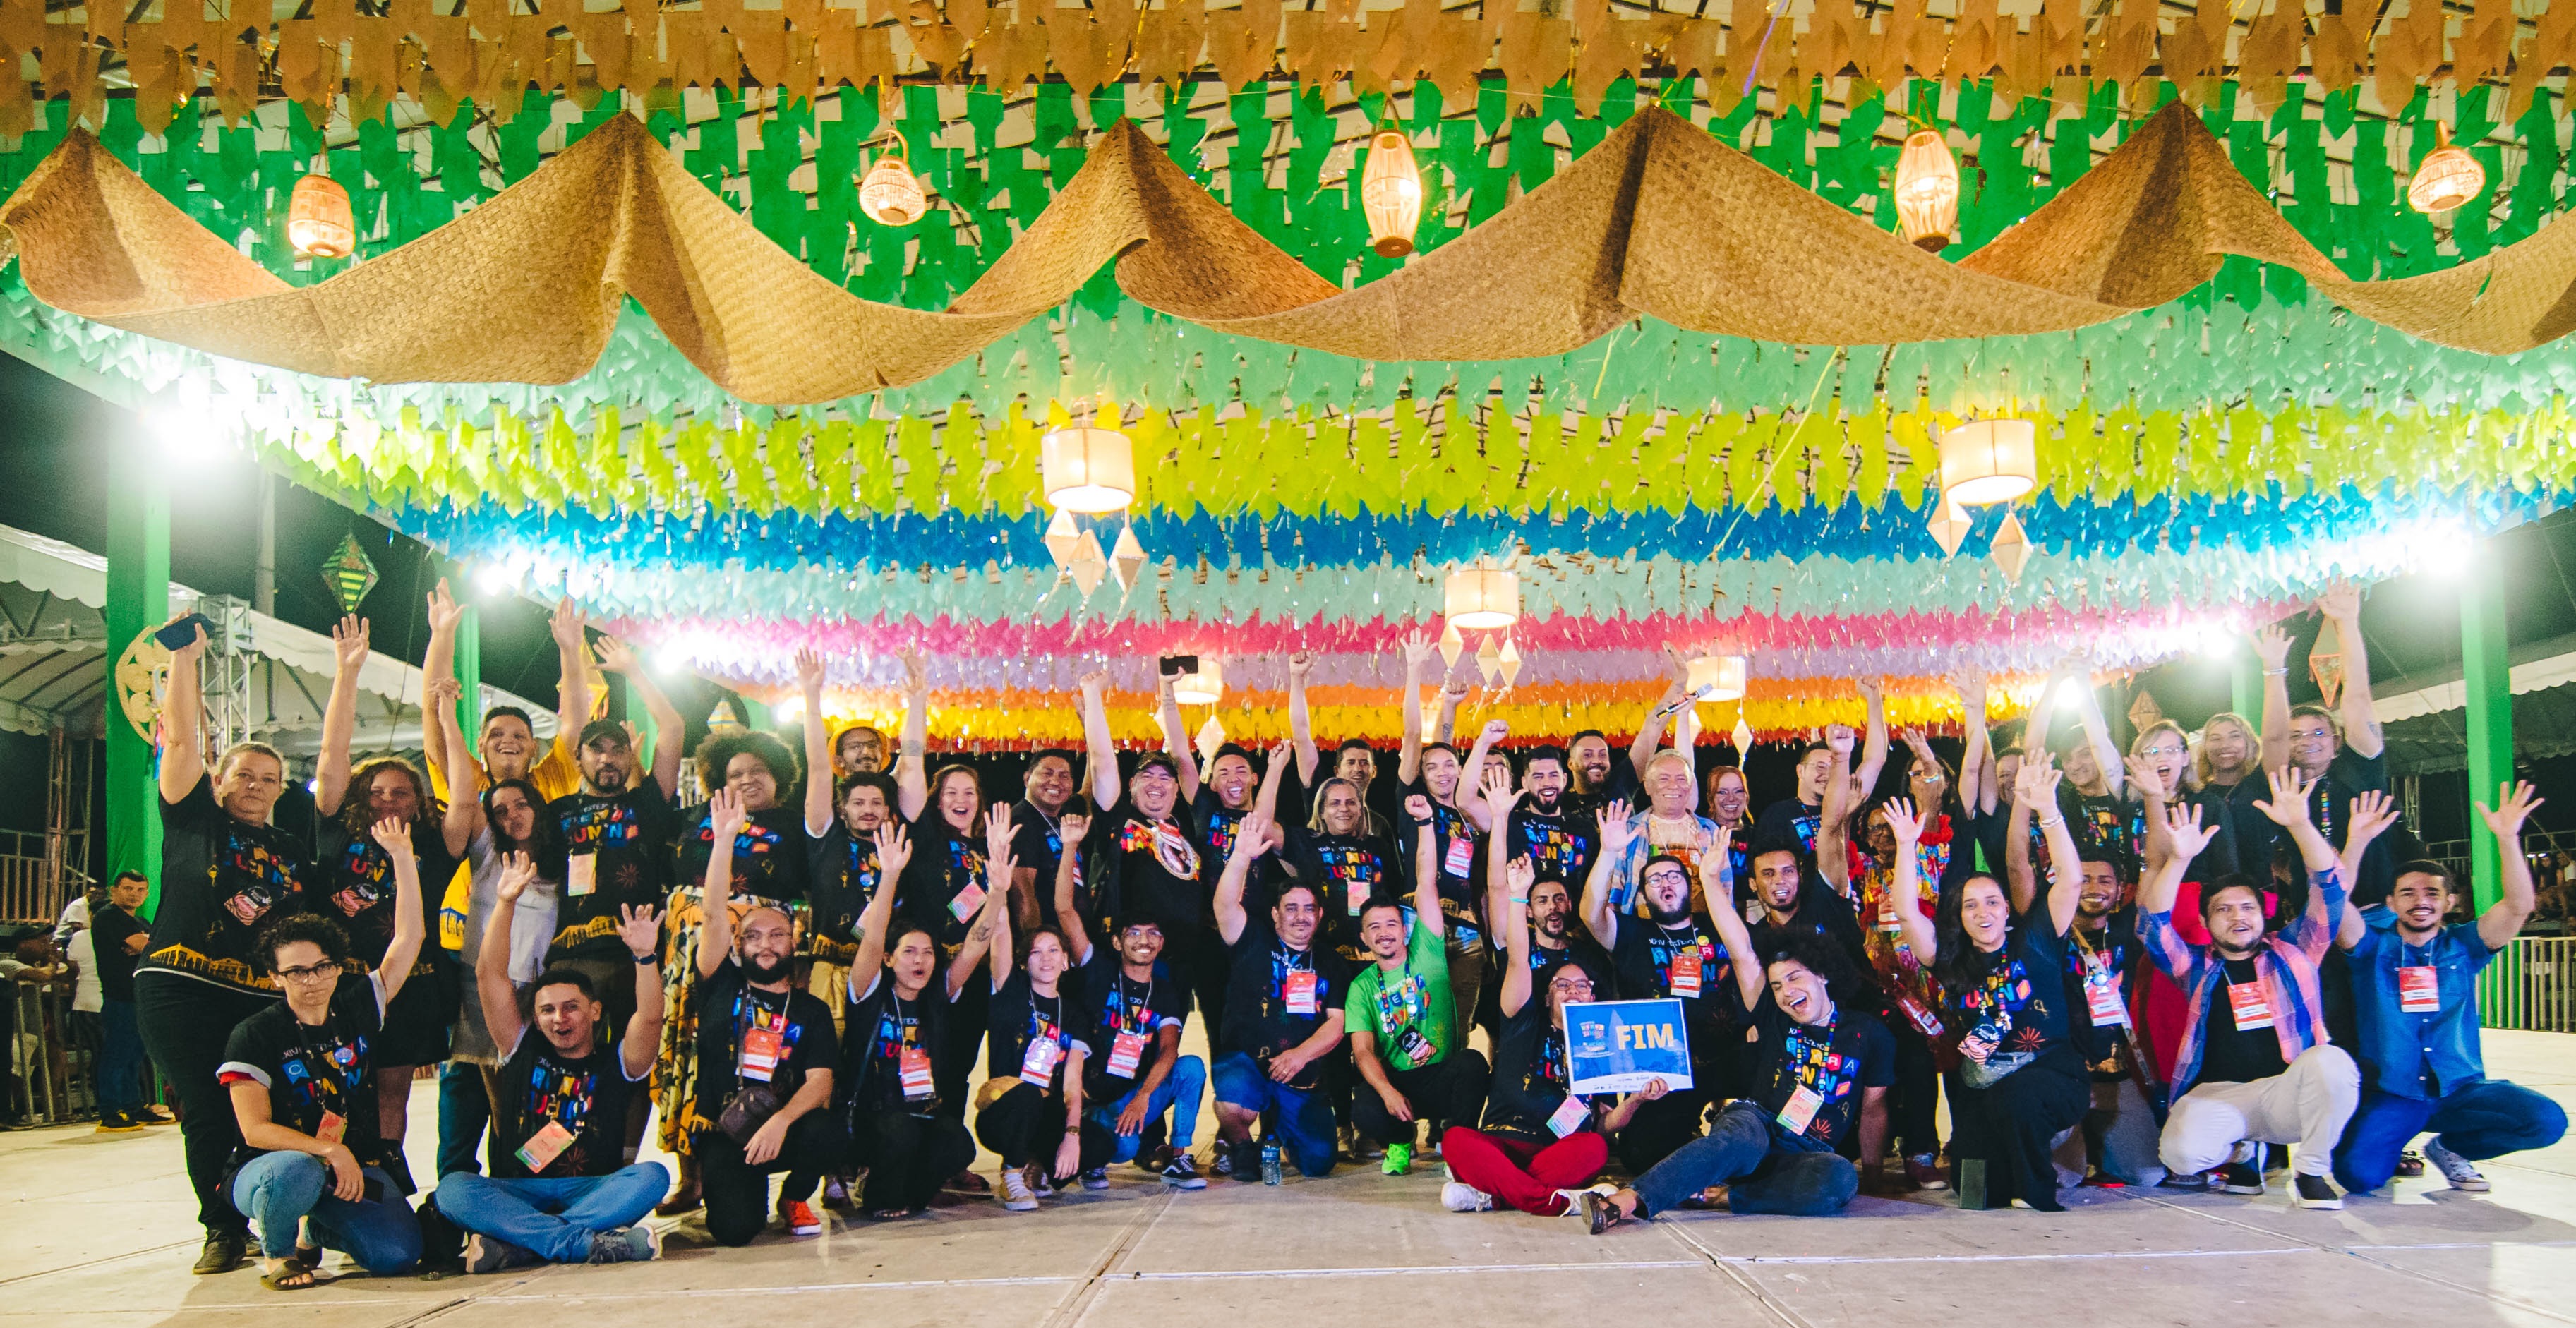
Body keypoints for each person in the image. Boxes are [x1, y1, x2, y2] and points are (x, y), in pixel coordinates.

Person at [143, 618, 312, 1275]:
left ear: (280, 789)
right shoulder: (193, 819)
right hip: (179, 988)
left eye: (269, 778)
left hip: (255, 998)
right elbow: (183, 738)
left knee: (269, 1108)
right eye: (244, 774)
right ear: (220, 779)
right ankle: (221, 1228)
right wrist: (186, 661)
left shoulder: (291, 852)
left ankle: (273, 1214)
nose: (255, 785)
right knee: (205, 1108)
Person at [217, 817, 427, 1290]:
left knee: (397, 1254)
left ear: (335, 966)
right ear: (275, 977)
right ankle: (279, 1254)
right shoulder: (255, 1034)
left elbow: (409, 938)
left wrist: (401, 858)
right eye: (296, 972)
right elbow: (254, 1129)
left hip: (345, 1167)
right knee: (296, 1169)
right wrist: (329, 1149)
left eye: (321, 967)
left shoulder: (357, 1007)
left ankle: (315, 1230)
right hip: (273, 1170)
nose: (311, 980)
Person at [1581, 918, 1895, 1232]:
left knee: (1840, 1178)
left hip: (1805, 1154)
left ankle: (1721, 1196)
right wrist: (1715, 888)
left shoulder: (1869, 1033)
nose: (1786, 992)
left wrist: (1873, 1176)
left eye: (1794, 977)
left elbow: (1873, 1110)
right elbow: (1741, 952)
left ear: (1822, 975)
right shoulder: (1774, 1016)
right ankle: (1624, 1202)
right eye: (1777, 986)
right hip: (1757, 1124)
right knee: (1740, 1139)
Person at [435, 851, 668, 1270]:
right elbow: (490, 976)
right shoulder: (520, 1046)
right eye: (547, 1010)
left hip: (592, 1190)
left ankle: (522, 1246)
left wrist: (645, 957)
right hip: (520, 1191)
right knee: (452, 1189)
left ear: (594, 1011)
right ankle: (581, 1243)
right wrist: (505, 903)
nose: (560, 1018)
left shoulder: (620, 1060)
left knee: (652, 1177)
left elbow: (650, 1016)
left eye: (571, 1007)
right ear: (537, 1017)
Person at [2333, 783, 2569, 1195]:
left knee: (2546, 1121)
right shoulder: (2371, 949)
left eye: (2432, 893)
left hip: (2459, 1089)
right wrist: (2356, 843)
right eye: (2407, 893)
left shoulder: (2464, 946)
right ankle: (2390, 1138)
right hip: (2394, 1092)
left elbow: (2518, 907)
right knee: (2358, 1177)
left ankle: (2451, 1148)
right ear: (2391, 903)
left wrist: (2508, 838)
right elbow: (2332, 905)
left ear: (2450, 902)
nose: (2420, 900)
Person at [2140, 768, 2359, 1209]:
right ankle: (2243, 1153)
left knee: (2333, 1064)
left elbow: (2331, 891)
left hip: (2284, 1092)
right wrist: (2178, 860)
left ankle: (2312, 1170)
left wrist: (2301, 824)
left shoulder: (2297, 950)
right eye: (2223, 910)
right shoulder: (2195, 967)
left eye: (2247, 907)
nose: (2238, 917)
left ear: (2264, 915)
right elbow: (2152, 927)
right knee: (2181, 1156)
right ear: (2205, 922)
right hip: (2218, 1093)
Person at [1886, 769, 2091, 1212]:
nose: (1983, 913)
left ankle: (2039, 1186)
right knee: (1975, 1192)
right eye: (1970, 905)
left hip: (2051, 1074)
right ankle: (2015, 1161)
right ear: (1959, 916)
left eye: (1993, 902)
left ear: (2007, 910)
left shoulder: (2036, 939)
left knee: (2018, 1098)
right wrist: (1906, 847)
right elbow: (1905, 914)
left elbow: (2071, 882)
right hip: (1983, 1086)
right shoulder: (1951, 959)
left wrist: (2049, 811)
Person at [313, 615, 471, 1190]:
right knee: (332, 1089)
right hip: (343, 984)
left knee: (391, 1092)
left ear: (417, 800)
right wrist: (346, 673)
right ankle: (330, 1175)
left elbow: (465, 799)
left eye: (400, 792)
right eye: (376, 791)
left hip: (413, 986)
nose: (387, 800)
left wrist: (447, 718)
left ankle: (384, 1177)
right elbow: (333, 752)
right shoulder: (338, 829)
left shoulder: (433, 841)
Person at [655, 694, 814, 1214]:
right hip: (692, 951)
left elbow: (806, 894)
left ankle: (754, 1155)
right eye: (735, 773)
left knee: (747, 1049)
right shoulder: (692, 817)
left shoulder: (793, 824)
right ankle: (690, 1175)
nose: (746, 780)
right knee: (688, 1050)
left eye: (757, 771)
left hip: (760, 949)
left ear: (778, 776)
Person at [1441, 858, 1662, 1216]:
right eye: (1562, 985)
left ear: (1594, 997)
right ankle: (1557, 1200)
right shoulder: (1522, 1018)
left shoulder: (1601, 1047)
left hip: (1555, 1151)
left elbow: (1603, 1126)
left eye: (1582, 986)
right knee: (1456, 1140)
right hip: (1503, 1142)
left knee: (1595, 1148)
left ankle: (1494, 1195)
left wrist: (1636, 1100)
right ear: (1546, 997)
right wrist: (1517, 896)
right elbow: (1518, 959)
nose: (1573, 991)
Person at [690, 789, 845, 1246]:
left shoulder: (811, 1009)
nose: (765, 945)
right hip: (727, 1130)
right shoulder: (720, 985)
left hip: (784, 1127)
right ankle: (747, 1196)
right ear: (738, 945)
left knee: (827, 1129)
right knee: (735, 1232)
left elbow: (820, 1084)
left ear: (793, 942)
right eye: (753, 936)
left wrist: (780, 1122)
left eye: (777, 935)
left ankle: (795, 1197)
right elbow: (713, 915)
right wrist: (724, 840)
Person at [834, 822, 987, 1219]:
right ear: (888, 959)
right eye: (909, 952)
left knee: (957, 1143)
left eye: (928, 953)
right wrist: (889, 875)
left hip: (922, 1112)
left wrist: (1000, 889)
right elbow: (873, 937)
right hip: (872, 1119)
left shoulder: (937, 997)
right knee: (896, 1131)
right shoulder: (869, 993)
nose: (920, 960)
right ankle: (874, 1187)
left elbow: (975, 945)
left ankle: (909, 1192)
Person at [1581, 797, 1737, 1173]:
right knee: (1640, 1156)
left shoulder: (1717, 927)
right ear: (1643, 895)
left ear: (1689, 886)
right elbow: (1591, 913)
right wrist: (1609, 852)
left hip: (1723, 1060)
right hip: (1662, 1072)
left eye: (1674, 877)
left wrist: (1714, 873)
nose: (1665, 883)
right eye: (1654, 879)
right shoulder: (1632, 934)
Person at [1055, 809, 1206, 1188]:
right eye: (1134, 933)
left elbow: (1169, 1050)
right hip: (1095, 1101)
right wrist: (1069, 847)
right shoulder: (1098, 971)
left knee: (1191, 1068)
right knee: (1119, 1148)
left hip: (1133, 1098)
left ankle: (1179, 1157)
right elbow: (1065, 911)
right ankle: (1093, 1153)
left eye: (1153, 934)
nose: (1144, 940)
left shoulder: (1164, 990)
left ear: (1162, 943)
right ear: (1117, 941)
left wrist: (1144, 1097)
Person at [1344, 792, 1495, 1174]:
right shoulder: (1362, 986)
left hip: (1441, 1076)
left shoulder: (1427, 951)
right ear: (1364, 938)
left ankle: (1457, 1145)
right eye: (1374, 928)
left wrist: (1426, 823)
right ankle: (1399, 1142)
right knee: (1364, 1104)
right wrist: (1387, 1092)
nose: (1384, 933)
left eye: (1391, 924)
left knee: (1473, 1064)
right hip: (1400, 1082)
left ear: (1405, 929)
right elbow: (1363, 1051)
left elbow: (1426, 881)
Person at [968, 806, 1096, 1211]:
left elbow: (1072, 1082)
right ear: (1025, 962)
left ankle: (1038, 1165)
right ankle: (1011, 1172)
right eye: (1037, 952)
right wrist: (999, 883)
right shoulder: (1009, 990)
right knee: (1024, 1097)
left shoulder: (1072, 1014)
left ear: (1067, 961)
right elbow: (1001, 933)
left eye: (1054, 951)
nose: (1046, 959)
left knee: (1099, 1143)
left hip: (1045, 1109)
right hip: (1005, 1110)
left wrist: (1072, 1135)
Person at [1210, 812, 1351, 1180]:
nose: (1300, 917)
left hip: (1299, 1072)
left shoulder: (1331, 961)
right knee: (1234, 1101)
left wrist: (1300, 1055)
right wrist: (1241, 856)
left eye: (1309, 909)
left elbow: (1337, 1023)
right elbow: (1224, 907)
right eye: (1291, 908)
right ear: (1275, 914)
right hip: (1247, 1062)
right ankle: (1243, 1145)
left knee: (1319, 1164)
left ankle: (1278, 1127)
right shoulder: (1252, 939)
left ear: (1319, 915)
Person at [2268, 584, 2400, 906]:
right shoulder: (2283, 785)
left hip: (2373, 911)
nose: (2307, 741)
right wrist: (2273, 670)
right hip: (2312, 916)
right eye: (2296, 735)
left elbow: (2357, 698)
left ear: (2336, 740)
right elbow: (2272, 736)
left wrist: (2347, 623)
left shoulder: (2360, 770)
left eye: (2318, 733)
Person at [2045, 850, 2164, 1189]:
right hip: (2066, 1077)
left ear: (2120, 888)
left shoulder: (2129, 929)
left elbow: (2156, 865)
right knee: (2064, 1179)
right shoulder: (2049, 932)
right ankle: (2079, 1140)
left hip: (2119, 1077)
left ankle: (2101, 1146)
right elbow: (2016, 868)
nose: (2094, 888)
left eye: (2104, 880)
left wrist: (2157, 810)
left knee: (2148, 1176)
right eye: (2083, 879)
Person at [1594, 751, 1721, 918]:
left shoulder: (1710, 830)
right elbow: (1614, 895)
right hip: (1644, 927)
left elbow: (1725, 891)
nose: (1673, 786)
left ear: (1690, 787)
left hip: (1701, 928)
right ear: (1647, 786)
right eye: (1664, 779)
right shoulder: (1630, 831)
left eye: (1681, 779)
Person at [85, 871, 155, 1130]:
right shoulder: (108, 916)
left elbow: (157, 946)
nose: (134, 894)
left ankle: (133, 1106)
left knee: (135, 1054)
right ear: (114, 890)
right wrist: (146, 945)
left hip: (140, 996)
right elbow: (148, 946)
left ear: (147, 894)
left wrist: (146, 945)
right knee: (117, 1053)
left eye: (140, 890)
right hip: (119, 996)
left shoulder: (141, 921)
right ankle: (110, 1110)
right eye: (128, 888)